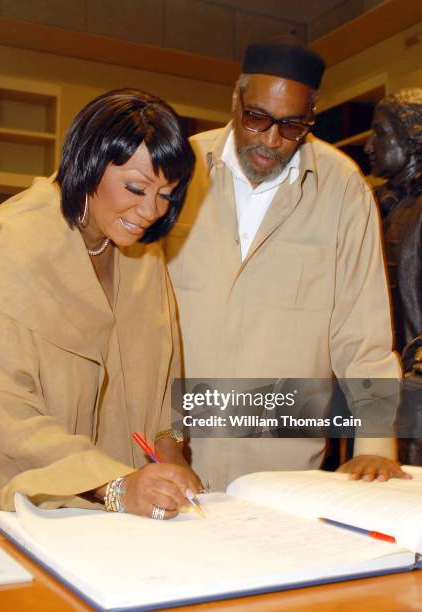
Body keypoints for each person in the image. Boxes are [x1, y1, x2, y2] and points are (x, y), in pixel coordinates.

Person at [0, 88, 202, 518]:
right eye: (136, 187)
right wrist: (112, 485)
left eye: (166, 194)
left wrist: (172, 455)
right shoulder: (11, 246)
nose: (150, 211)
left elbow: (165, 374)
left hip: (96, 511)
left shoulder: (141, 252)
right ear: (88, 164)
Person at [164, 37, 408, 490]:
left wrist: (374, 444)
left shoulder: (342, 189)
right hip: (170, 453)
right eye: (257, 118)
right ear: (235, 99)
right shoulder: (177, 169)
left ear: (311, 115)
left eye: (292, 126)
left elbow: (363, 334)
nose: (271, 140)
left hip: (282, 469)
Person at [365, 88, 422, 464]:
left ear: (412, 141)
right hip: (374, 383)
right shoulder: (369, 204)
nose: (369, 145)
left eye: (380, 133)